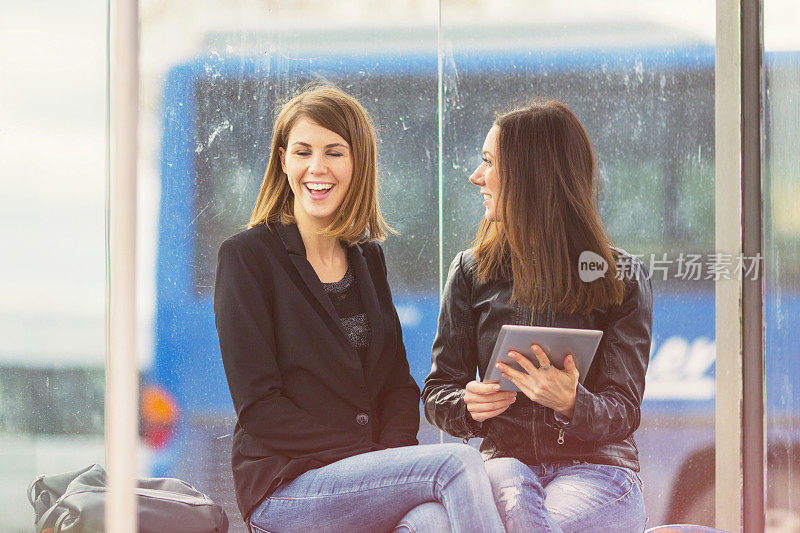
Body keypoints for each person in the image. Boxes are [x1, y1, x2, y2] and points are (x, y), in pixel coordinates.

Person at [213, 85, 504, 533]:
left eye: (334, 152)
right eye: (303, 151)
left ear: (358, 164)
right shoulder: (247, 258)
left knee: (431, 521)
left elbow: (397, 385)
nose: (317, 167)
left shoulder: (367, 258)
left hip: (360, 475)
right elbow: (259, 408)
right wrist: (370, 454)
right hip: (285, 485)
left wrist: (386, 455)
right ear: (283, 160)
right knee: (458, 463)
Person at [422, 98, 652, 533]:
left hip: (598, 472)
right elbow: (438, 393)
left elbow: (624, 409)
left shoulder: (622, 277)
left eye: (489, 162)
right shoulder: (471, 272)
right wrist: (469, 405)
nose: (476, 177)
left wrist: (571, 401)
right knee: (506, 479)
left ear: (531, 175)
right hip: (504, 466)